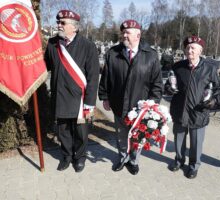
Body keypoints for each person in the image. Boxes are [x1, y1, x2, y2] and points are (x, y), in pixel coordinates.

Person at [98, 19, 163, 175]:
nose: (124, 35)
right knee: (121, 135)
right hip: (118, 103)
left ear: (138, 35)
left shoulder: (151, 56)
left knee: (137, 137)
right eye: (123, 32)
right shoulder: (113, 53)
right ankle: (122, 158)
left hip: (140, 108)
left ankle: (133, 161)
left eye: (127, 33)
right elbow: (106, 77)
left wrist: (152, 106)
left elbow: (157, 84)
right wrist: (104, 97)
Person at [44, 10, 100, 172]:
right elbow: (45, 66)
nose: (58, 25)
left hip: (79, 99)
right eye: (58, 22)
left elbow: (93, 77)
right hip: (60, 97)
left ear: (74, 27)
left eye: (63, 23)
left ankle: (80, 157)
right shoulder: (53, 43)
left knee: (80, 133)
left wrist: (90, 103)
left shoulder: (88, 46)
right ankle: (67, 155)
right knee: (63, 131)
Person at [165, 36, 220, 179]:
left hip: (198, 112)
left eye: (193, 48)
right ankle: (179, 160)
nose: (189, 50)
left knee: (196, 143)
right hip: (179, 111)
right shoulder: (178, 67)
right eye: (188, 47)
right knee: (179, 140)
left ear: (200, 51)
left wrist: (213, 102)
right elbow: (169, 84)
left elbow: (218, 90)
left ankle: (194, 166)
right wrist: (169, 88)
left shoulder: (210, 69)